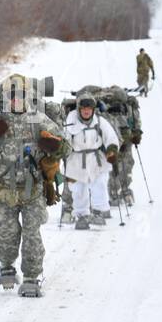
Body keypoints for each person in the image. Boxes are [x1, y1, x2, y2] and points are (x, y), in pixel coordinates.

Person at [0, 74, 70, 296]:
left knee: (32, 234)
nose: (16, 100)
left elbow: (66, 148)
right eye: (11, 96)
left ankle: (32, 277)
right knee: (4, 235)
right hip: (5, 189)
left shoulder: (38, 120)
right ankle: (6, 267)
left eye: (20, 96)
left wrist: (54, 145)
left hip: (32, 190)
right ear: (6, 97)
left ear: (27, 96)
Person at [62, 93, 120, 229]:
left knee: (99, 183)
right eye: (83, 108)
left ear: (93, 109)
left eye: (89, 108)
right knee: (78, 189)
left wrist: (112, 150)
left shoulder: (99, 122)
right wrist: (61, 149)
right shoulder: (70, 123)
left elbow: (111, 137)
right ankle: (82, 215)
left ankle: (99, 212)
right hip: (76, 160)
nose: (86, 111)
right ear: (79, 109)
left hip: (96, 158)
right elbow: (64, 139)